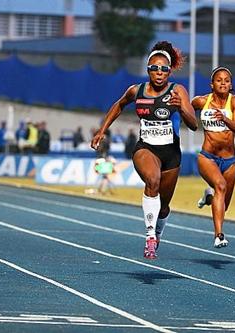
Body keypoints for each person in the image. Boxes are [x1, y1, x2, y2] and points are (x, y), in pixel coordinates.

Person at [91, 41, 197, 259]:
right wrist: (102, 130)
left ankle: (157, 233)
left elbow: (194, 125)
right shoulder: (136, 90)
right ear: (148, 70)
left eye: (164, 69)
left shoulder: (178, 91)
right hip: (145, 148)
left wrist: (180, 108)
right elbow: (119, 105)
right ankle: (149, 236)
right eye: (155, 68)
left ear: (169, 71)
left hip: (171, 153)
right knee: (152, 181)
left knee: (164, 207)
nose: (159, 72)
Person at [191, 66, 235, 248]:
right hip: (208, 157)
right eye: (219, 80)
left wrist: (224, 119)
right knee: (220, 186)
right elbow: (186, 111)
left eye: (227, 81)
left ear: (230, 85)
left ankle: (209, 196)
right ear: (212, 84)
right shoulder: (201, 101)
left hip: (229, 160)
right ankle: (219, 236)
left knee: (223, 206)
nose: (223, 83)